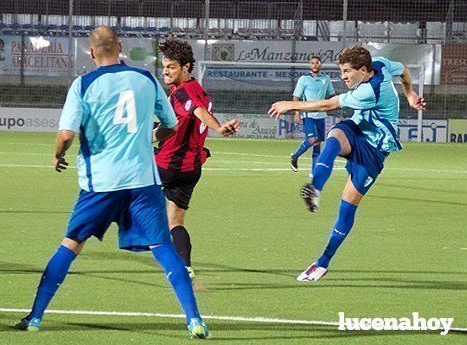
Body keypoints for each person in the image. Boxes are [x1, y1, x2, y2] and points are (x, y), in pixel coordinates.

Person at [14, 26, 210, 339]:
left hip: (101, 184)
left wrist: (57, 155)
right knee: (163, 248)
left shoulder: (84, 84)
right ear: (119, 47)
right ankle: (195, 320)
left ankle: (35, 316)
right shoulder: (145, 79)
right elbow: (170, 126)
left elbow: (66, 135)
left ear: (91, 52)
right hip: (142, 182)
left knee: (72, 244)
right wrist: (152, 137)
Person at [268, 45, 425, 282]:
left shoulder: (369, 91)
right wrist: (409, 93)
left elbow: (329, 104)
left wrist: (292, 105)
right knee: (334, 136)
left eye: (346, 71)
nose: (343, 77)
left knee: (348, 205)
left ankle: (323, 263)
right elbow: (403, 70)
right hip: (357, 129)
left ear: (363, 70)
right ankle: (315, 188)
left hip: (375, 149)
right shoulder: (380, 63)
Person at [156, 38, 240, 279]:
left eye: (171, 66)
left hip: (168, 163)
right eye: (164, 65)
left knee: (125, 184)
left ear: (186, 67)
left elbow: (198, 111)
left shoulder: (184, 93)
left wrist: (219, 128)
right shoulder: (197, 89)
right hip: (191, 168)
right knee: (175, 221)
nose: (165, 71)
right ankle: (185, 267)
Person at [290, 56, 335, 174]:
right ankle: (295, 156)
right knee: (312, 139)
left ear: (320, 65)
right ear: (309, 65)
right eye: (312, 63)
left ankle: (314, 172)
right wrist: (297, 113)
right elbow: (296, 97)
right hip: (308, 115)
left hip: (321, 116)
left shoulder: (326, 79)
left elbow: (332, 94)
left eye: (317, 63)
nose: (315, 65)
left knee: (317, 143)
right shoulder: (304, 79)